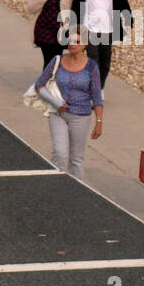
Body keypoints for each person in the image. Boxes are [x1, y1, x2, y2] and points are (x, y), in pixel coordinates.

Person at [33, 29, 103, 181]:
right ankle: (55, 186)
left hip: (81, 117)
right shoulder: (57, 61)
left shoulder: (91, 67)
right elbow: (39, 85)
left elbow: (97, 96)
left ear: (85, 44)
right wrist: (55, 102)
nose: (72, 44)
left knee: (76, 159)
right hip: (57, 114)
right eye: (70, 40)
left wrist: (98, 122)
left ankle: (76, 192)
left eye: (76, 41)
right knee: (59, 152)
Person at [64, 0, 131, 88]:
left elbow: (123, 3)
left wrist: (129, 22)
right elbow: (76, 7)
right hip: (89, 29)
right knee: (93, 60)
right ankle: (93, 89)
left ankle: (99, 88)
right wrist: (73, 28)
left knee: (105, 62)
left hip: (108, 29)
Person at [25, 0, 67, 67]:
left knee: (57, 60)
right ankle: (46, 82)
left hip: (60, 31)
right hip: (45, 31)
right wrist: (42, 0)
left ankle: (51, 82)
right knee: (49, 61)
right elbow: (30, 8)